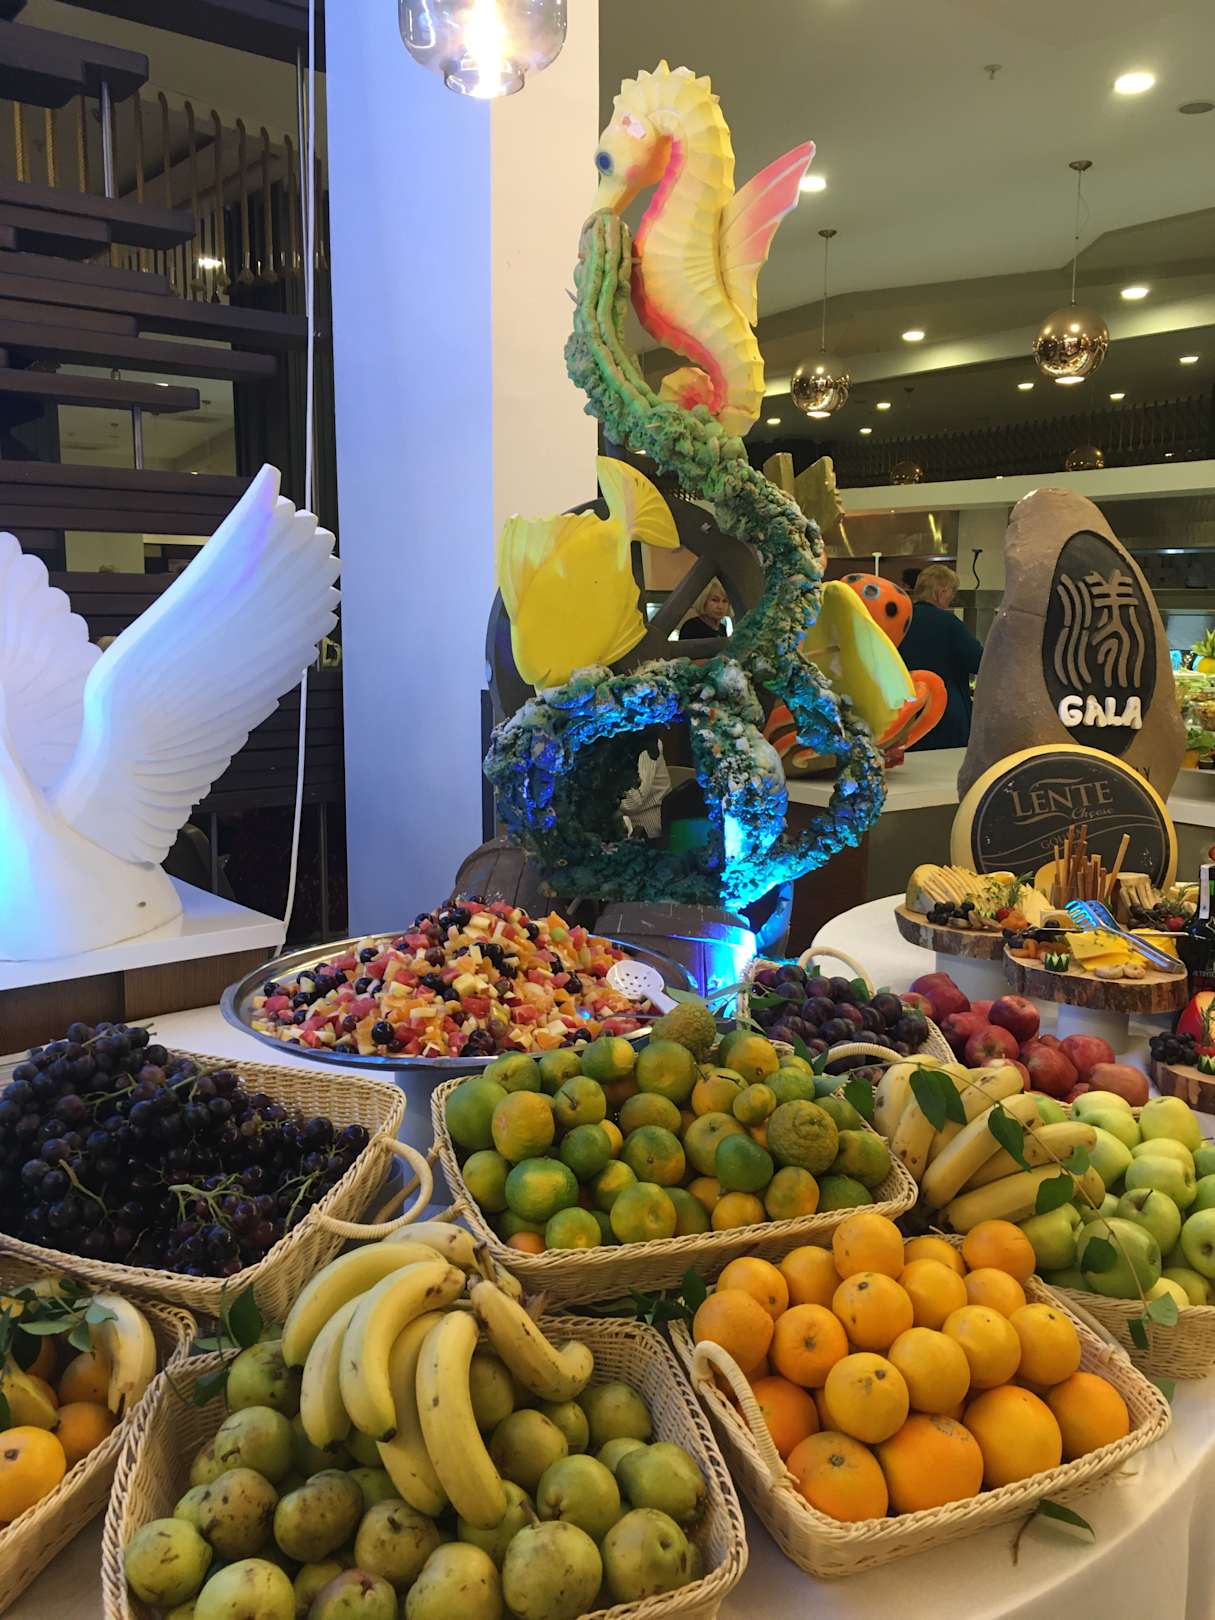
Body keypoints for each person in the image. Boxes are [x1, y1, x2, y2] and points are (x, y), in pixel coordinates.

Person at [896, 563, 983, 750]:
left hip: (904, 712)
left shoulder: (900, 620)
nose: (951, 599)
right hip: (945, 713)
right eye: (952, 593)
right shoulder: (949, 623)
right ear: (941, 592)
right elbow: (979, 661)